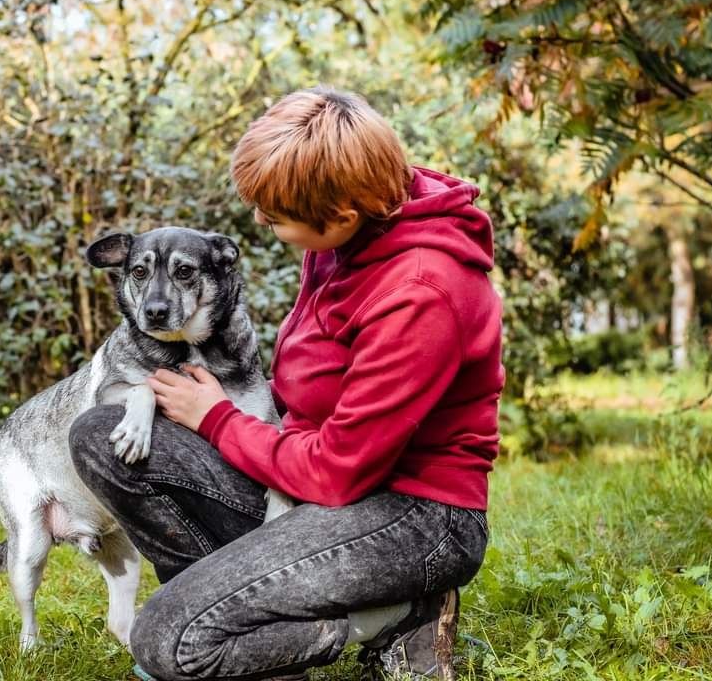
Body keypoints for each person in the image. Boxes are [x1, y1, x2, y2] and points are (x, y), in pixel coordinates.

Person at [68, 87, 503, 681]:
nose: (260, 220)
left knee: (167, 641)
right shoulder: (344, 237)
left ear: (342, 214)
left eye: (274, 215)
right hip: (308, 481)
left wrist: (217, 417)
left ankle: (391, 616)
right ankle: (240, 607)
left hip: (413, 516)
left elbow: (339, 471)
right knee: (99, 434)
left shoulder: (421, 293)